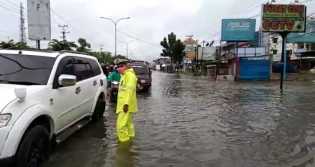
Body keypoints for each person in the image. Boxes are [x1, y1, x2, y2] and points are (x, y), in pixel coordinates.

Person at [116, 59, 138, 143]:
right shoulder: (124, 75)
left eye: (121, 66)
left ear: (126, 66)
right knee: (128, 124)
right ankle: (130, 140)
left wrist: (126, 104)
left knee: (120, 125)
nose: (118, 69)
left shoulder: (130, 76)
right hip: (124, 105)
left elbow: (129, 91)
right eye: (118, 67)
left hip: (125, 106)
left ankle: (124, 144)